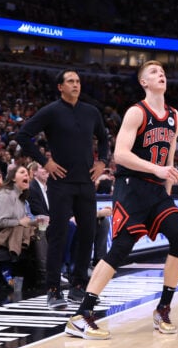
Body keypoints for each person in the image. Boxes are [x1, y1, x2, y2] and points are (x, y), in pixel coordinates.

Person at [66, 60, 178, 340]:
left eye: (163, 73)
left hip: (157, 191)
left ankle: (164, 308)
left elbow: (168, 160)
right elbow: (120, 155)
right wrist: (156, 169)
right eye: (154, 73)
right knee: (121, 248)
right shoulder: (136, 112)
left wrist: (166, 186)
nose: (161, 76)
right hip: (131, 187)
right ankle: (82, 314)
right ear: (143, 82)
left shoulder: (176, 118)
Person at [14, 70, 110, 310]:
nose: (76, 85)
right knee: (58, 234)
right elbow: (23, 136)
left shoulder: (91, 112)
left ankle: (79, 286)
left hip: (86, 182)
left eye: (78, 81)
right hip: (61, 182)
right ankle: (53, 289)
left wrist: (102, 162)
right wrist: (45, 161)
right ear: (60, 87)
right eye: (70, 81)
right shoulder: (51, 111)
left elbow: (105, 138)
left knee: (88, 232)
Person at [0, 165, 36, 259]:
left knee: (39, 229)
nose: (26, 175)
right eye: (22, 172)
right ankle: (44, 270)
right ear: (13, 178)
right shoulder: (6, 195)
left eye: (28, 174)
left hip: (3, 232)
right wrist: (19, 222)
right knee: (29, 230)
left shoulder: (20, 198)